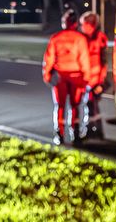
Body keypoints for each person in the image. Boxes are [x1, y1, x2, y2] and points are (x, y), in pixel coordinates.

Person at [41, 9, 88, 146]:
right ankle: (76, 134)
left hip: (60, 77)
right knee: (75, 106)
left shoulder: (56, 38)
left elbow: (48, 59)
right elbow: (84, 60)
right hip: (76, 76)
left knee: (60, 106)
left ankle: (59, 135)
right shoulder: (80, 39)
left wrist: (47, 75)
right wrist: (86, 78)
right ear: (75, 24)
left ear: (65, 23)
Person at [77, 11, 108, 140]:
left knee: (90, 104)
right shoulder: (82, 38)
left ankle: (92, 130)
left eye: (83, 24)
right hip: (86, 79)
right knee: (91, 105)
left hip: (95, 79)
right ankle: (95, 130)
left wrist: (101, 81)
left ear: (91, 25)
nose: (82, 27)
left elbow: (104, 60)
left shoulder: (100, 38)